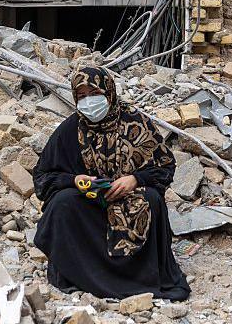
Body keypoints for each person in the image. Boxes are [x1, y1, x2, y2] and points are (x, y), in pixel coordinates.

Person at [32, 66, 190, 301]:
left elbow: (164, 167)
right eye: (82, 96)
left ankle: (140, 277)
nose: (88, 102)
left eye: (94, 94)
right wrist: (74, 180)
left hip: (130, 196)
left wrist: (135, 179)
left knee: (152, 199)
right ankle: (80, 273)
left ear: (109, 92)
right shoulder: (69, 130)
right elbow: (43, 177)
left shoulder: (136, 122)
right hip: (92, 202)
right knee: (62, 203)